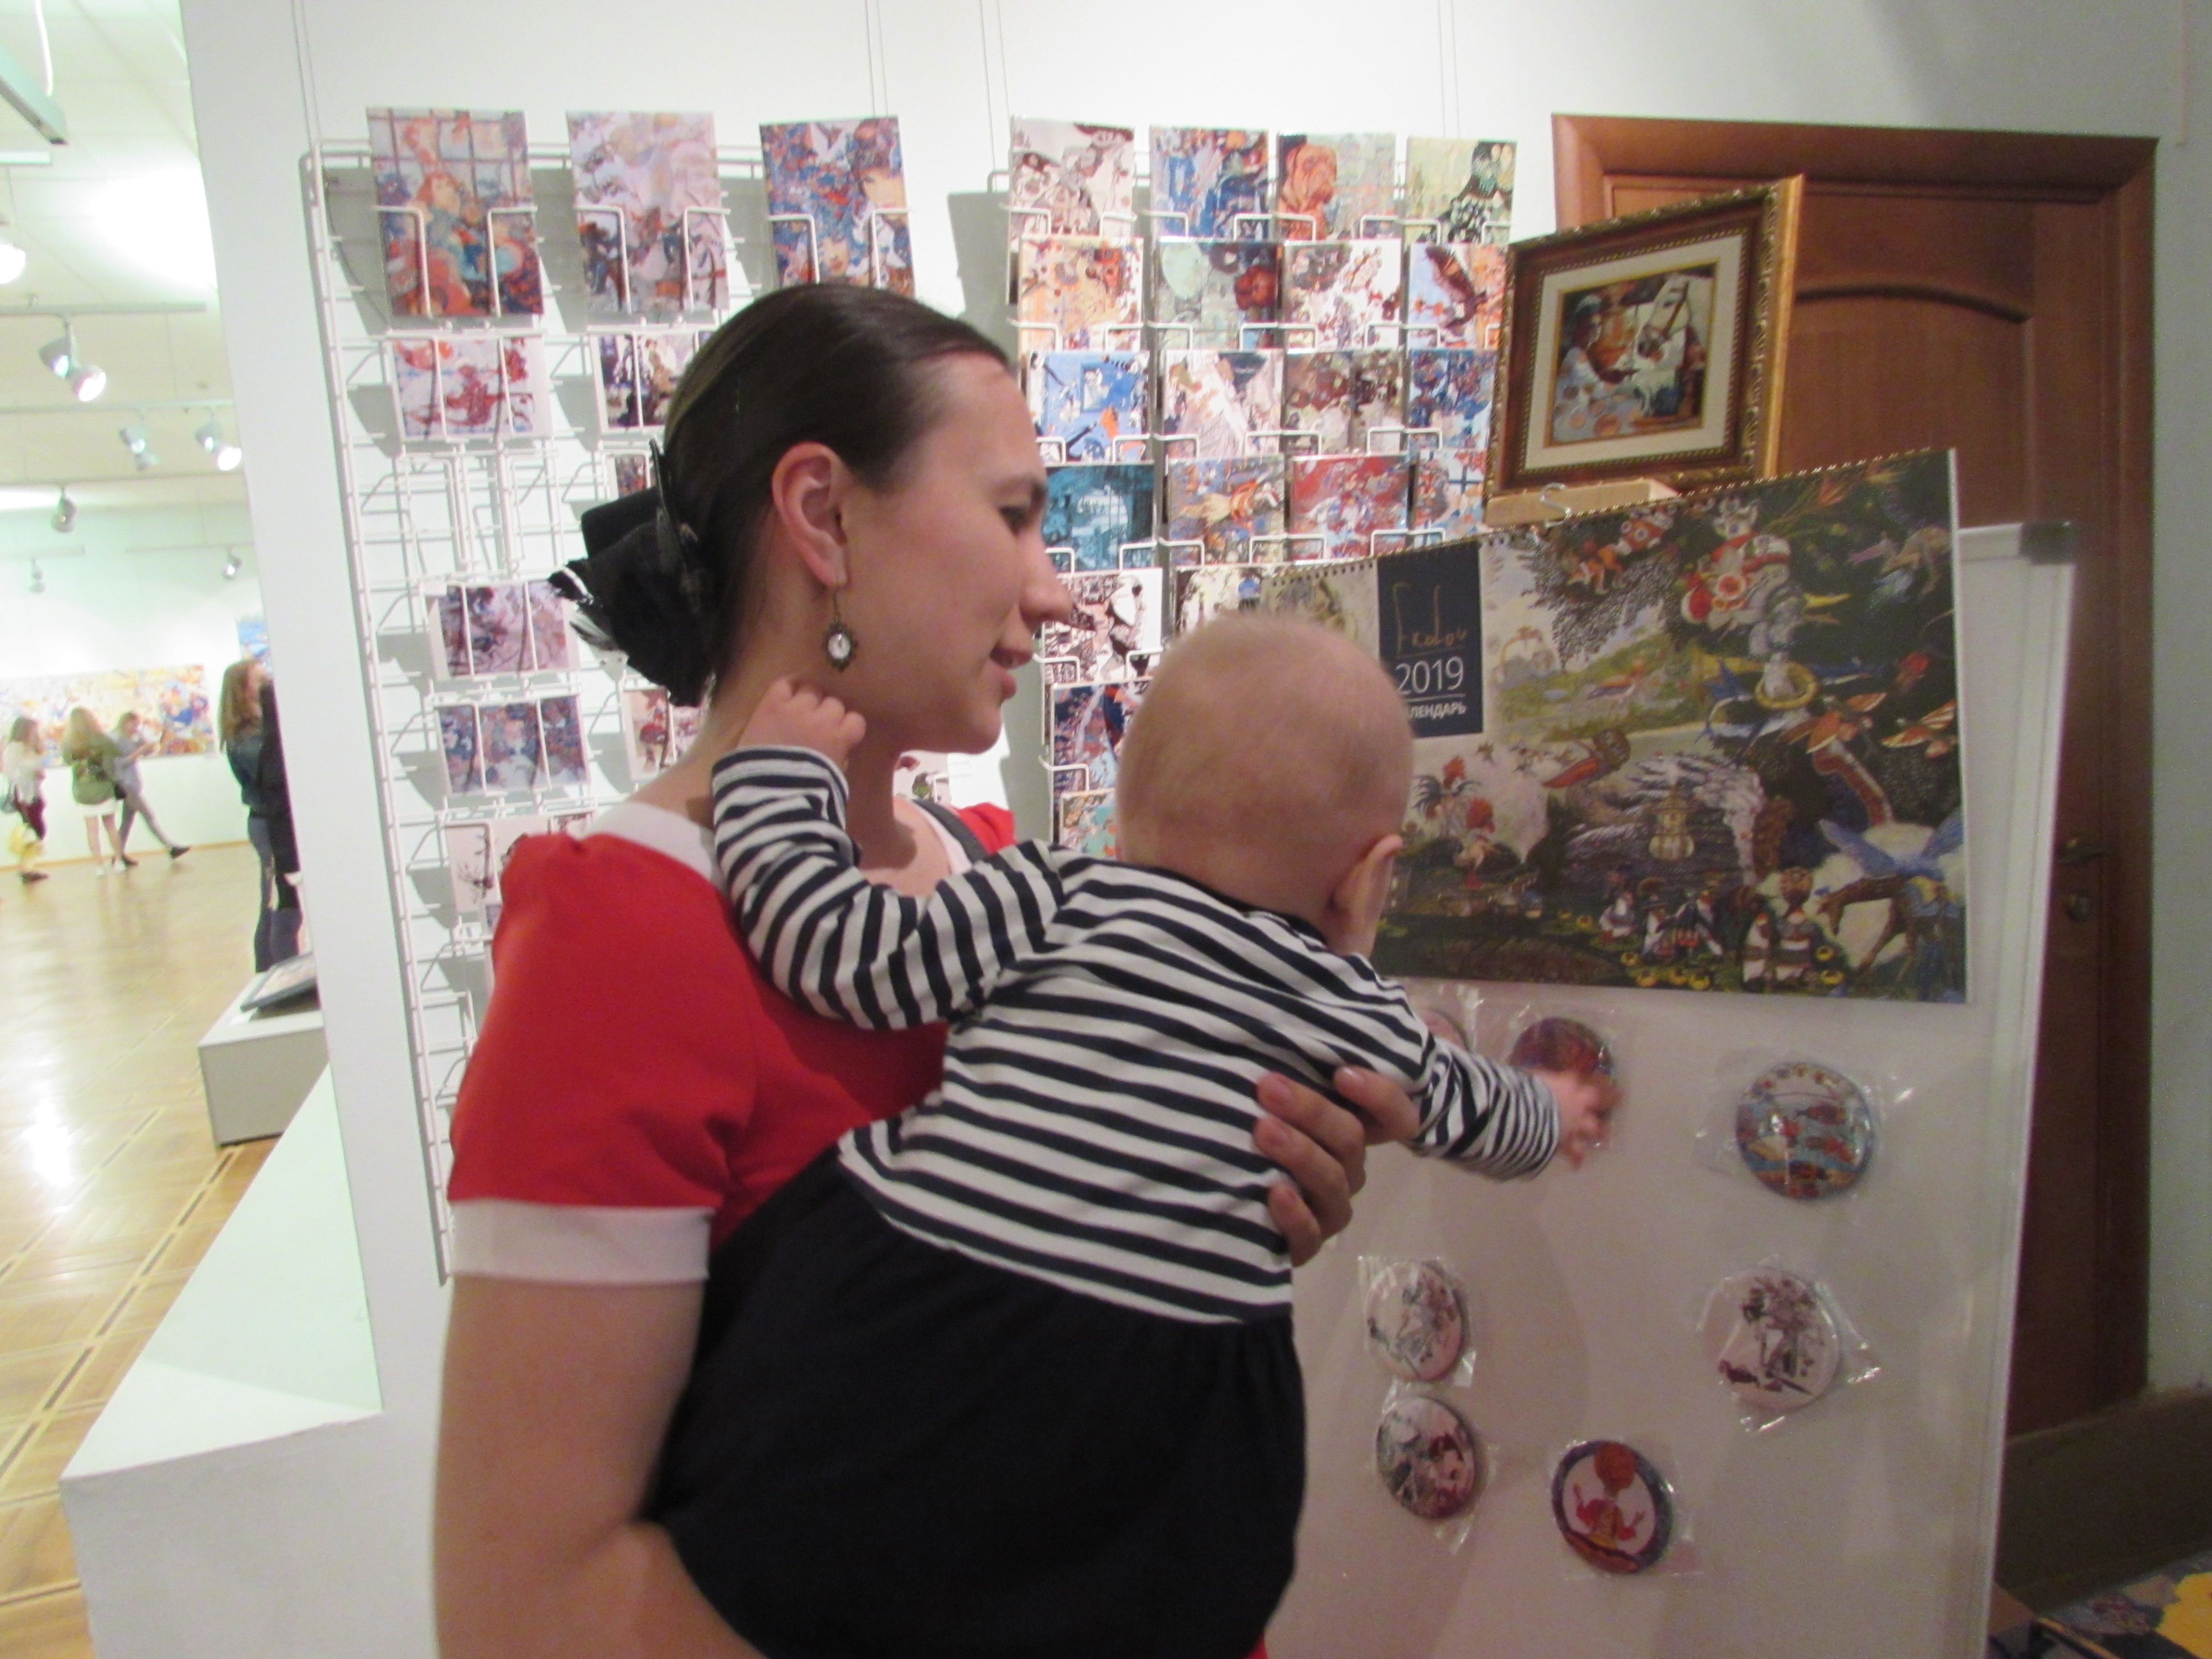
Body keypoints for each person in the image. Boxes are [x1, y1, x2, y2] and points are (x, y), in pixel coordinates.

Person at [433, 284, 1413, 1659]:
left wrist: (1247, 1190)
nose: (1052, 588)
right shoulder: (629, 938)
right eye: (1012, 515)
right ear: (822, 515)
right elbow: (529, 1611)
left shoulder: (1001, 875)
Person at [680, 619, 1615, 1659]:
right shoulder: (1351, 1008)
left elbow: (831, 946)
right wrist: (1555, 1110)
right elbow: (1472, 1110)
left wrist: (780, 775)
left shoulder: (1050, 893)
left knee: (806, 1536)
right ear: (1370, 877)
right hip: (1173, 1387)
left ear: (1121, 814)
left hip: (916, 1313)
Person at [220, 660, 300, 968]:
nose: (269, 685)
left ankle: (271, 969)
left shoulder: (259, 729)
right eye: (261, 681)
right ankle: (271, 972)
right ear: (244, 691)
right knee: (278, 904)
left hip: (272, 821)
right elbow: (273, 777)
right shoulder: (245, 736)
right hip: (268, 824)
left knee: (280, 902)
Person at [111, 710, 189, 862]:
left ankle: (118, 855)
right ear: (126, 723)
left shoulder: (131, 738)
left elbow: (146, 752)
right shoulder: (115, 739)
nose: (136, 728)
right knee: (148, 815)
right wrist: (139, 751)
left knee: (127, 822)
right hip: (125, 785)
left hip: (133, 783)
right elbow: (118, 764)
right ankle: (170, 847)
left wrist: (145, 744)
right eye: (134, 725)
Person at [59, 706, 127, 874]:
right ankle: (118, 861)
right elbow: (114, 759)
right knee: (110, 826)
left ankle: (99, 866)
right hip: (104, 787)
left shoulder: (69, 743)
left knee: (91, 829)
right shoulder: (102, 739)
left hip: (82, 790)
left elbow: (67, 761)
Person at [3, 715, 49, 884]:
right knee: (34, 830)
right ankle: (26, 868)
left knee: (34, 831)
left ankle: (27, 868)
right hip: (24, 796)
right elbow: (12, 772)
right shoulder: (15, 748)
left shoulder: (30, 748)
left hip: (34, 793)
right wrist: (31, 773)